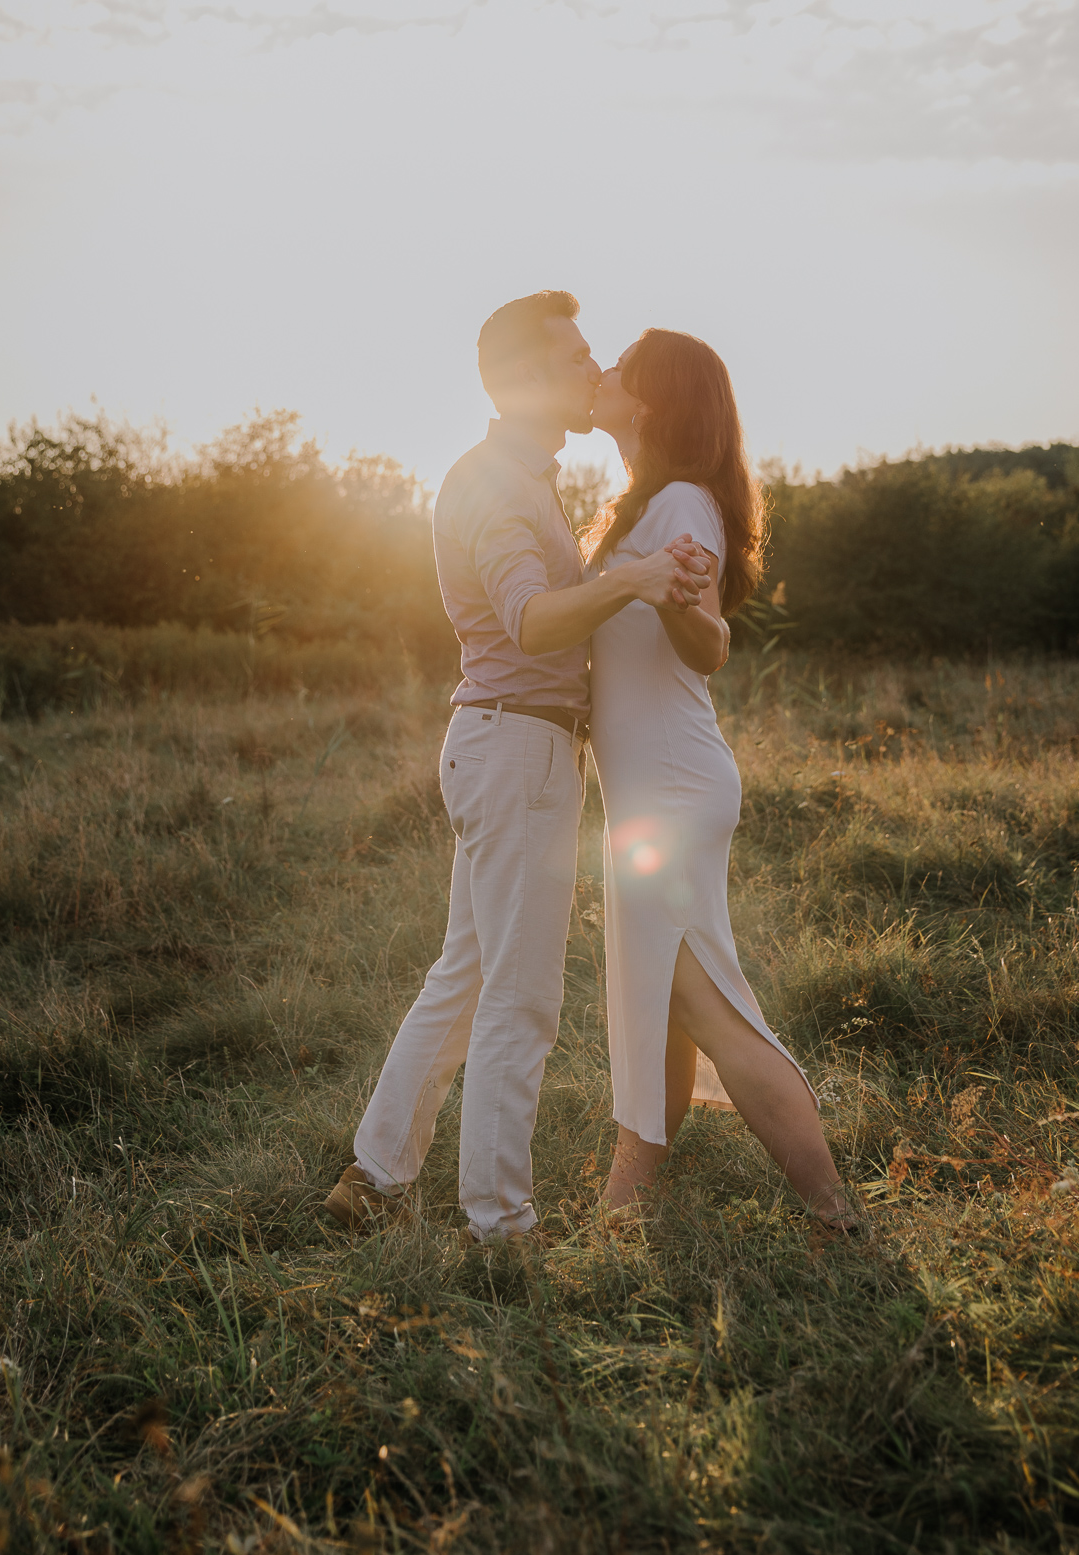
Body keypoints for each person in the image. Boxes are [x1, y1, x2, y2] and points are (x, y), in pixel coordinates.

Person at [326, 291, 712, 1245]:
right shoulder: (497, 483)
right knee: (521, 997)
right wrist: (629, 576)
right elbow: (531, 619)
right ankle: (501, 1224)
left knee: (464, 974)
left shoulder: (523, 476)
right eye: (578, 356)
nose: (595, 371)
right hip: (518, 751)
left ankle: (374, 1176)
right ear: (529, 380)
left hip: (506, 743)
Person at [585, 329, 854, 1232]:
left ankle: (835, 1211)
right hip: (653, 785)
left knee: (703, 998)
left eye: (620, 365)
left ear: (649, 399)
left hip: (670, 783)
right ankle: (627, 1206)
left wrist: (675, 597)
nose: (604, 373)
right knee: (658, 997)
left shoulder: (683, 506)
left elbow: (709, 643)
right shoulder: (647, 503)